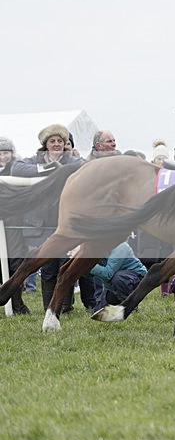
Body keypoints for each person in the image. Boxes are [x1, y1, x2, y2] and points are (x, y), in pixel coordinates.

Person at [11, 124, 88, 312]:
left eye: (60, 141)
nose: (56, 144)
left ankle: (65, 307)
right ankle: (48, 307)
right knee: (47, 267)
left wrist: (61, 169)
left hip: (65, 220)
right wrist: (47, 168)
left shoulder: (73, 159)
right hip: (42, 223)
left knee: (65, 265)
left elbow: (85, 166)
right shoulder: (33, 160)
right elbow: (16, 168)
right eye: (52, 141)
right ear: (45, 144)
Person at [0, 136, 31, 314]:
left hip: (13, 221)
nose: (3, 156)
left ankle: (17, 304)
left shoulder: (18, 169)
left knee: (15, 262)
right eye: (0, 153)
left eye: (6, 152)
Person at [88, 242, 147, 313]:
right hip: (112, 286)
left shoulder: (120, 246)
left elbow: (108, 274)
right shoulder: (96, 248)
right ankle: (120, 303)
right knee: (97, 311)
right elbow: (89, 275)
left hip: (136, 278)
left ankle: (130, 307)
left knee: (119, 278)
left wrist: (88, 266)